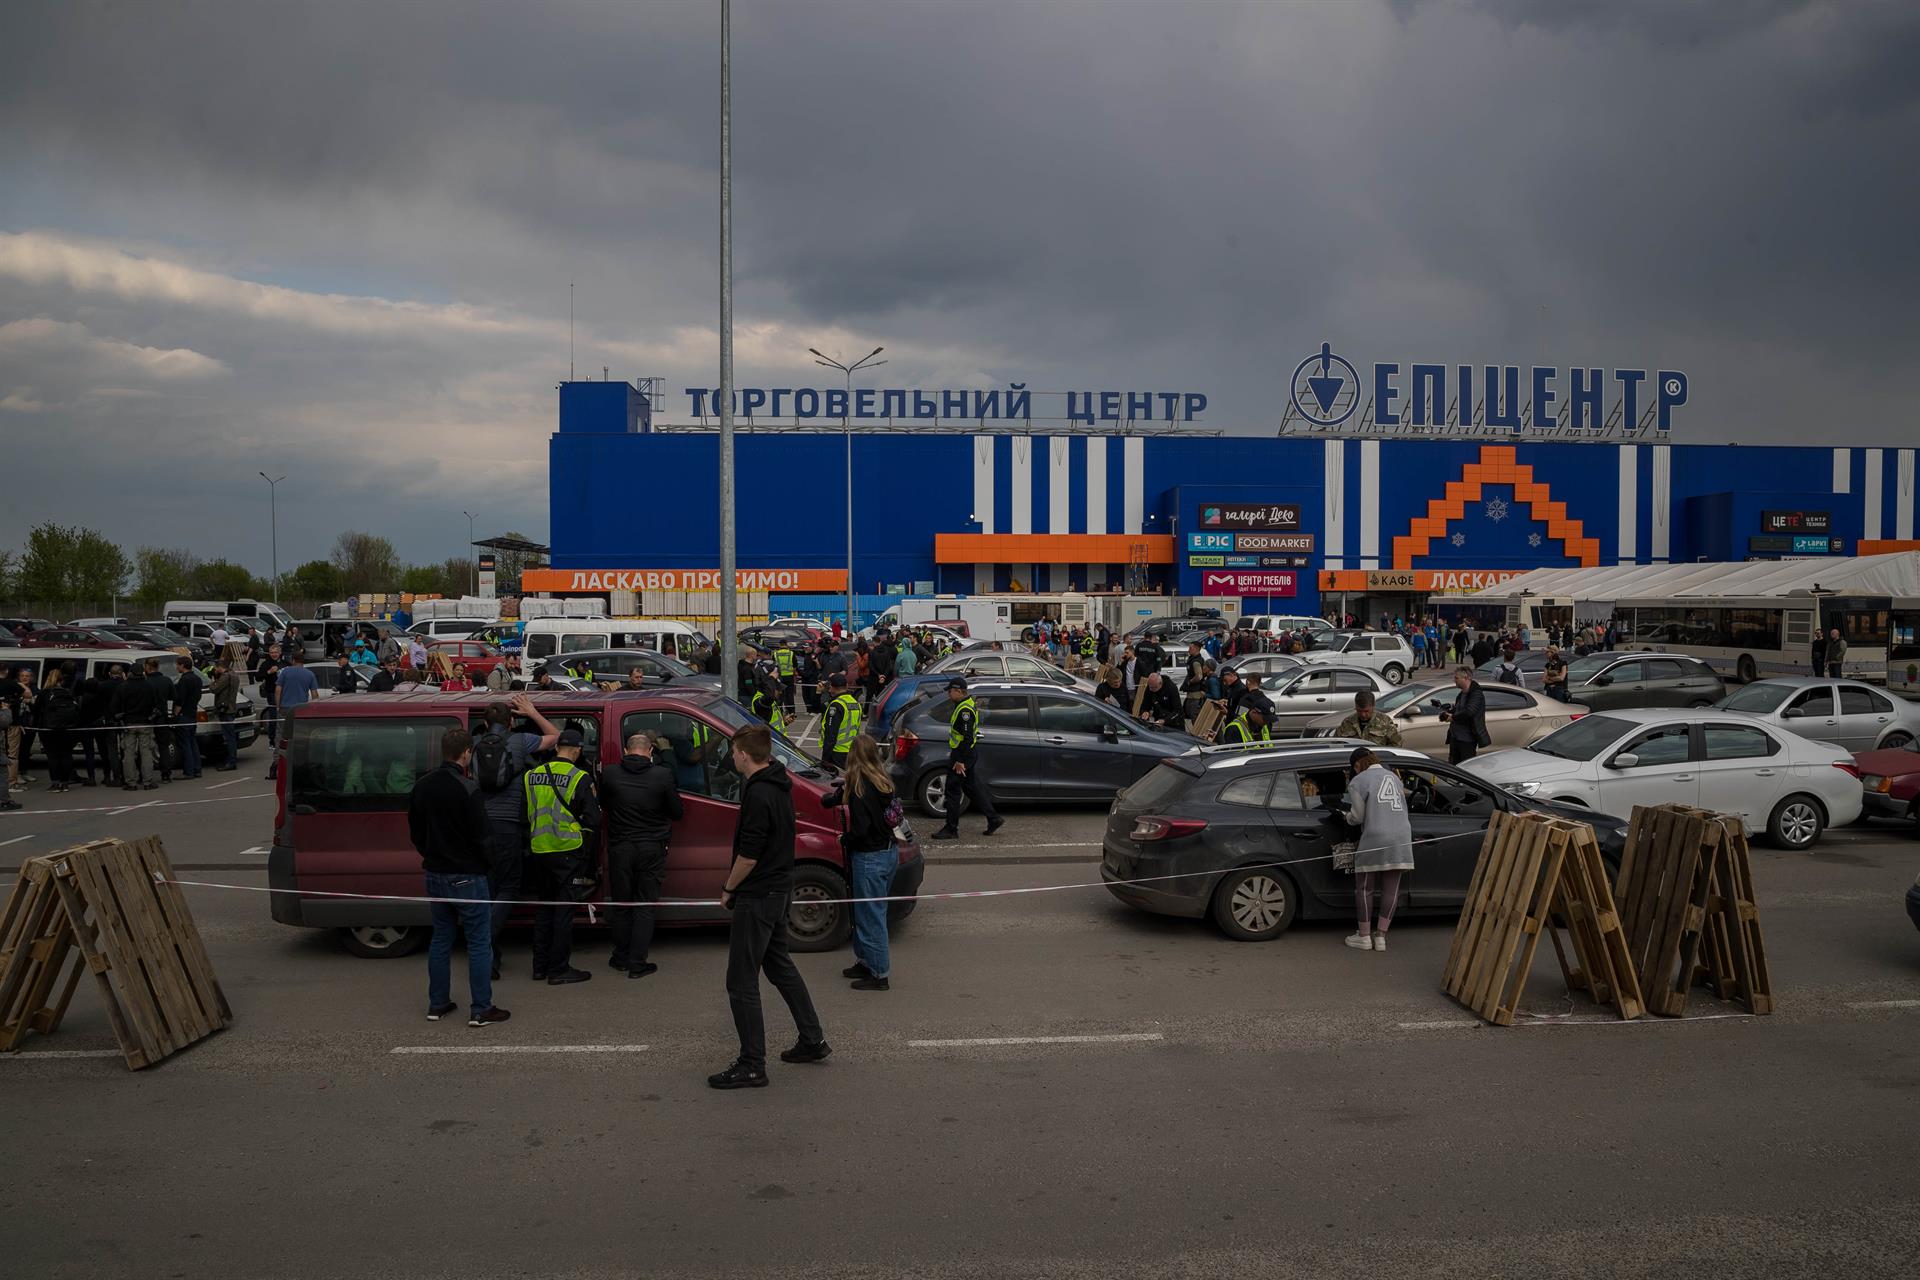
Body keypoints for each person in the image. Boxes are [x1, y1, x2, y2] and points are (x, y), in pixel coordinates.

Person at [710, 724, 828, 1089]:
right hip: (778, 890)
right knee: (779, 968)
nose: (732, 758)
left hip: (758, 895)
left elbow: (749, 853)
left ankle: (751, 1063)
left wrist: (729, 888)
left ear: (744, 754)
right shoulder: (778, 784)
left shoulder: (759, 793)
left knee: (741, 981)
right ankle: (812, 1040)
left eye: (733, 752)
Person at [406, 726, 509, 1027]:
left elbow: (415, 832)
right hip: (467, 874)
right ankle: (481, 1008)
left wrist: (430, 854)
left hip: (436, 872)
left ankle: (437, 1004)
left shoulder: (421, 786)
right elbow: (483, 837)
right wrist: (489, 866)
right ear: (467, 753)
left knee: (441, 939)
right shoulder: (469, 788)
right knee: (478, 943)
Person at [474, 694, 559, 974]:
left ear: (485, 723)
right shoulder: (521, 741)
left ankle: (490, 958)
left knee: (490, 890)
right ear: (512, 721)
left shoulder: (474, 744)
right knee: (510, 887)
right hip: (509, 826)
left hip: (481, 825)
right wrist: (532, 713)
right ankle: (483, 942)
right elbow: (555, 736)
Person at [601, 729, 683, 979]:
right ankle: (638, 963)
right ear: (650, 752)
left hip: (621, 848)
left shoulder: (610, 774)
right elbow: (677, 812)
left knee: (622, 904)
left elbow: (603, 803)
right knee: (645, 905)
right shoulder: (662, 775)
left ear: (626, 751)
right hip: (651, 847)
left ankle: (620, 957)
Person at [523, 727, 601, 985]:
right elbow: (593, 819)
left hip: (539, 849)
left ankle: (539, 967)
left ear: (557, 748)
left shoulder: (531, 776)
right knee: (564, 912)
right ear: (577, 751)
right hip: (567, 851)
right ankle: (559, 969)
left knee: (544, 910)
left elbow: (527, 812)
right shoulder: (580, 778)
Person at [822, 735, 897, 992]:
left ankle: (879, 974)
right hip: (887, 853)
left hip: (869, 857)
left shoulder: (860, 788)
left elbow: (862, 829)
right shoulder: (882, 780)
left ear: (853, 756)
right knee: (869, 912)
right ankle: (865, 961)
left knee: (870, 916)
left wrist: (846, 838)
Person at [1340, 746, 1414, 952]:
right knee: (1392, 889)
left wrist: (1345, 816)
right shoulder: (1394, 777)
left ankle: (1363, 936)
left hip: (1375, 836)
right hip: (1401, 837)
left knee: (1364, 888)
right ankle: (1381, 937)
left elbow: (1358, 817)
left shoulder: (1358, 781)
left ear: (1357, 765)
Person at [932, 678, 1003, 841]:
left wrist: (960, 761)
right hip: (965, 754)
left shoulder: (965, 711)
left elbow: (967, 738)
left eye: (950, 691)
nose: (948, 694)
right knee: (971, 787)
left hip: (962, 754)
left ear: (958, 691)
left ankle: (951, 829)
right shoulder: (964, 705)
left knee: (952, 790)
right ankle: (994, 818)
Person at [266, 650, 317, 781]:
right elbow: (315, 694)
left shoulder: (285, 672)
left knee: (280, 737)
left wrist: (278, 705)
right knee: (301, 737)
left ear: (293, 660)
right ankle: (299, 765)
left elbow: (278, 690)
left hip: (285, 709)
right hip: (301, 710)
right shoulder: (309, 674)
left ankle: (276, 766)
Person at [112, 660, 160, 790]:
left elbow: (115, 706)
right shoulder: (149, 686)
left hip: (128, 723)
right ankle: (147, 781)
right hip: (145, 722)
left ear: (130, 673)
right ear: (142, 672)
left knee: (128, 754)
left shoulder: (123, 686)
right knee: (146, 753)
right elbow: (156, 704)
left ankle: (130, 782)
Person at [34, 666, 79, 793]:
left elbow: (36, 711)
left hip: (49, 729)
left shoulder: (44, 693)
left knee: (52, 756)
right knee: (66, 754)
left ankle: (55, 783)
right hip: (67, 728)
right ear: (62, 680)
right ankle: (65, 783)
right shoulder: (68, 693)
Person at [1438, 666, 1490, 765]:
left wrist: (1452, 717)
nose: (1454, 680)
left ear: (1466, 678)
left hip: (1467, 739)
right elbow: (1459, 710)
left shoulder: (1476, 694)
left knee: (1466, 766)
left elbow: (1469, 712)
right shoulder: (1462, 694)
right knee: (1454, 765)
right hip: (1455, 737)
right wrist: (1448, 712)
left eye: (1457, 678)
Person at [820, 673, 862, 770]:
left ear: (831, 687)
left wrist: (825, 760)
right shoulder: (855, 703)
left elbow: (830, 734)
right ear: (846, 686)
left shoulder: (836, 705)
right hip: (853, 750)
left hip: (837, 752)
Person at [172, 657, 204, 779]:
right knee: (192, 742)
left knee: (185, 744)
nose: (177, 668)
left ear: (182, 666)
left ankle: (188, 771)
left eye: (178, 665)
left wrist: (176, 713)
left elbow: (180, 700)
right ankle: (197, 768)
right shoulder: (197, 679)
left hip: (184, 714)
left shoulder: (184, 680)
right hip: (192, 712)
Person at [1336, 690, 1402, 747]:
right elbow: (1337, 743)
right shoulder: (1347, 722)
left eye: (1366, 711)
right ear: (1355, 706)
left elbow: (1396, 744)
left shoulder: (1385, 721)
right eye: (1359, 711)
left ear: (1373, 706)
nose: (1363, 714)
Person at [209, 659, 242, 770]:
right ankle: (230, 760)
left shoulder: (225, 677)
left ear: (219, 667)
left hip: (225, 709)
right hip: (231, 707)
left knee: (229, 737)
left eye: (216, 668)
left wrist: (214, 680)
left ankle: (231, 761)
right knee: (230, 736)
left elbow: (214, 689)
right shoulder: (234, 675)